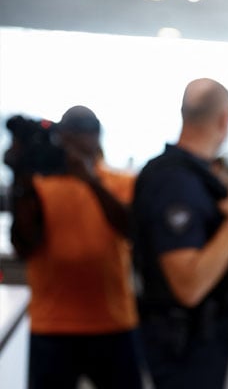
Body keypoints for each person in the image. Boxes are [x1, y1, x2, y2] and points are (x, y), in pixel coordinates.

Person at [6, 106, 143, 389]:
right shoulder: (39, 186)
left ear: (97, 139)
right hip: (52, 324)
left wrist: (90, 180)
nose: (70, 149)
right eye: (65, 140)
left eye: (80, 138)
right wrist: (21, 180)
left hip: (112, 323)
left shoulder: (120, 182)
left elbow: (132, 228)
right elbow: (24, 246)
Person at [131, 78, 228, 388]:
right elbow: (188, 285)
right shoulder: (176, 181)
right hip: (183, 344)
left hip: (198, 339)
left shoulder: (194, 175)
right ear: (224, 118)